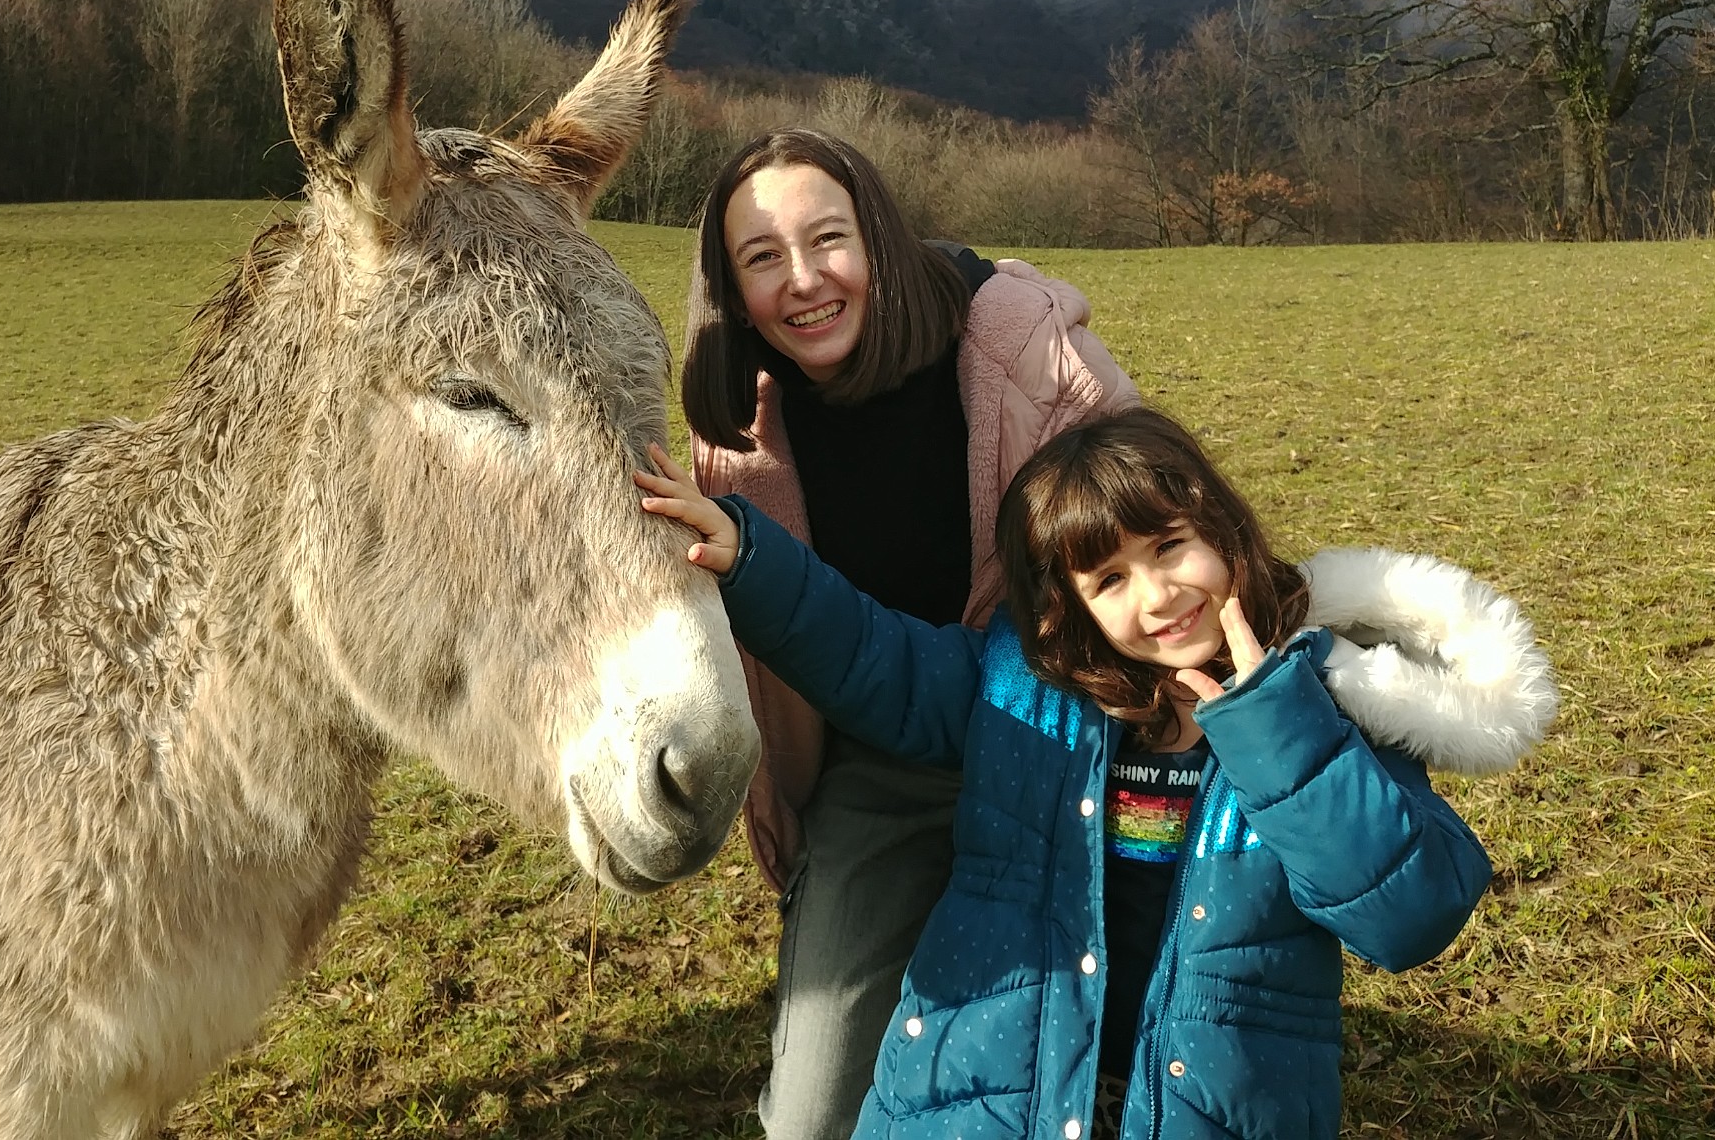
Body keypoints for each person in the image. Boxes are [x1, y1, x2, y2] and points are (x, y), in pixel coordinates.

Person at [638, 406, 1551, 1140]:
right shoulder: (1026, 691)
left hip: (1200, 1108)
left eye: (1169, 546)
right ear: (1069, 607)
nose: (1157, 595)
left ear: (1225, 530)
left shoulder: (1331, 704)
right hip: (994, 1093)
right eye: (1108, 580)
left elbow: (1410, 914)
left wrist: (1274, 724)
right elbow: (876, 658)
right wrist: (750, 559)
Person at [681, 127, 1137, 1138]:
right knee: (809, 1120)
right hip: (876, 771)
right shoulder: (740, 437)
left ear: (877, 236)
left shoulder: (1019, 349)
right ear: (733, 292)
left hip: (1067, 748)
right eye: (762, 257)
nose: (804, 281)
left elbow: (1143, 519)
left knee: (1095, 1075)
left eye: (826, 239)